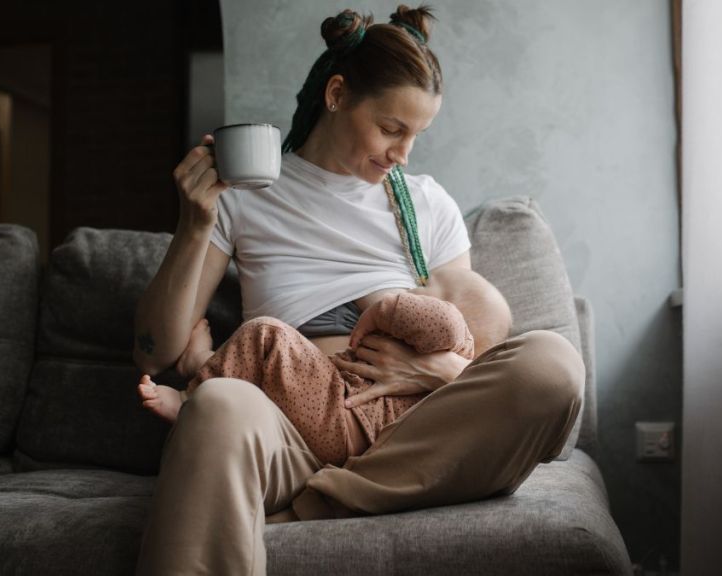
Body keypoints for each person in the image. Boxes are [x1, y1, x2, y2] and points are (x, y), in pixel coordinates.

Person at [133, 6, 584, 575]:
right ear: (337, 94)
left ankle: (319, 504)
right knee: (218, 402)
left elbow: (468, 338)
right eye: (391, 128)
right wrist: (195, 223)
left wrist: (438, 375)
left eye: (416, 135)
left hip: (410, 430)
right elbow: (153, 353)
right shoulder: (246, 194)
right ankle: (341, 493)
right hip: (293, 424)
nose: (403, 153)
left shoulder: (425, 204)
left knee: (553, 364)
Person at [136, 268, 510, 466]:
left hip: (342, 416)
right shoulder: (443, 390)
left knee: (267, 335)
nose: (415, 287)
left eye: (428, 286)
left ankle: (191, 397)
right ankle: (204, 364)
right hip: (352, 441)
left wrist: (388, 304)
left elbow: (441, 322)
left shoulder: (454, 338)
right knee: (268, 387)